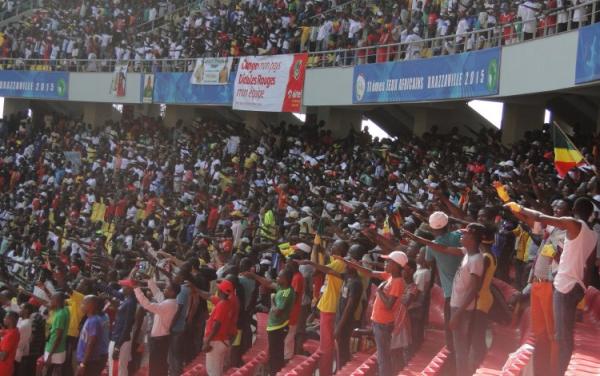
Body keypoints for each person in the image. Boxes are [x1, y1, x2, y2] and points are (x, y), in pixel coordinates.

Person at [506, 197, 598, 375]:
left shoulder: (572, 224)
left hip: (562, 286)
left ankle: (556, 371)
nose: (556, 211)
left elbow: (540, 216)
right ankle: (546, 370)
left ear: (572, 211)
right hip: (570, 285)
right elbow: (590, 264)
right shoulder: (593, 234)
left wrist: (519, 206)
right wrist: (583, 289)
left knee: (559, 337)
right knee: (552, 335)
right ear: (592, 214)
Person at [404, 223, 486, 374]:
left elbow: (474, 289)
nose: (462, 236)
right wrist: (420, 239)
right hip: (456, 305)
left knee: (460, 348)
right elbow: (443, 248)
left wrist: (457, 314)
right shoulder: (466, 252)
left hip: (462, 309)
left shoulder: (476, 259)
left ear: (473, 238)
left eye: (466, 234)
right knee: (457, 346)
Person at [336, 250, 408, 376]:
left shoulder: (398, 282)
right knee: (382, 356)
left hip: (384, 323)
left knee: (383, 357)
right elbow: (369, 272)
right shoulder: (389, 276)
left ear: (396, 265)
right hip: (379, 322)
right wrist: (350, 263)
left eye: (388, 261)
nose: (385, 263)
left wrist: (380, 291)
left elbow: (389, 305)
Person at [297, 239, 348, 376]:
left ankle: (325, 373)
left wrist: (309, 262)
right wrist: (318, 247)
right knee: (325, 343)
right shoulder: (339, 260)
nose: (331, 247)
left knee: (326, 345)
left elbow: (325, 269)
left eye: (334, 246)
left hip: (330, 307)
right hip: (327, 305)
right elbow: (326, 259)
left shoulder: (340, 263)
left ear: (339, 251)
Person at [420, 211, 462, 354]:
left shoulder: (431, 246)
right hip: (467, 288)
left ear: (432, 229)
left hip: (450, 292)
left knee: (451, 329)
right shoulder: (459, 236)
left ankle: (452, 357)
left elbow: (429, 263)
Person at [243, 268, 295, 376]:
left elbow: (277, 312)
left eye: (279, 276)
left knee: (275, 354)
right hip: (275, 326)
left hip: (278, 327)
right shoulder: (283, 287)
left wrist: (272, 300)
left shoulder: (286, 293)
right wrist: (254, 276)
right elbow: (269, 283)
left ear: (285, 279)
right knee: (276, 352)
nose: (277, 278)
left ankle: (275, 373)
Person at [133, 278, 180, 376]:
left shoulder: (167, 304)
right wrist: (149, 280)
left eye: (167, 289)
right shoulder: (171, 302)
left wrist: (137, 289)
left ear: (172, 293)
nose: (164, 290)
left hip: (159, 340)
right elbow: (158, 294)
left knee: (156, 366)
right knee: (159, 365)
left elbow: (147, 305)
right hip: (162, 338)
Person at [334, 248, 363, 368]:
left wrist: (339, 327)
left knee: (343, 351)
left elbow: (349, 307)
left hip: (346, 322)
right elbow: (330, 271)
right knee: (340, 351)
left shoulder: (356, 282)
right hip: (340, 319)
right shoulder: (347, 277)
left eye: (349, 263)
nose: (346, 264)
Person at [203, 279, 239, 376]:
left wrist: (207, 341)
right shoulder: (229, 303)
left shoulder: (222, 304)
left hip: (215, 342)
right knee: (218, 371)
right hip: (223, 341)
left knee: (212, 372)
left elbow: (217, 325)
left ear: (220, 291)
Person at [108, 279, 138, 376]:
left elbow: (127, 325)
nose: (122, 288)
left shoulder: (130, 302)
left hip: (120, 340)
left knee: (117, 369)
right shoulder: (127, 299)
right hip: (119, 338)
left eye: (123, 286)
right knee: (118, 368)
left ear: (129, 289)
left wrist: (117, 346)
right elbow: (112, 292)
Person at [75, 295, 110, 376]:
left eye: (83, 303)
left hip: (89, 361)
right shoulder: (90, 318)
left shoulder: (94, 321)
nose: (81, 305)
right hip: (85, 360)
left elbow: (91, 343)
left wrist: (83, 364)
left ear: (91, 306)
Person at [44, 293, 70, 376]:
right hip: (60, 348)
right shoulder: (65, 310)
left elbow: (58, 337)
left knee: (49, 372)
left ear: (57, 301)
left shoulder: (60, 315)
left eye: (52, 299)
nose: (50, 301)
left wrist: (50, 356)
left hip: (54, 349)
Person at [15, 303, 33, 376]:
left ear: (26, 310)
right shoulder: (20, 319)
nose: (19, 310)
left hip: (17, 354)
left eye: (21, 308)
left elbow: (19, 341)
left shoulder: (26, 324)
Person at [0, 311, 20, 376]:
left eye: (5, 317)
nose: (3, 319)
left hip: (3, 369)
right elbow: (3, 332)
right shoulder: (15, 330)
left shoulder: (10, 336)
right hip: (8, 367)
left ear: (10, 320)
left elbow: (3, 357)